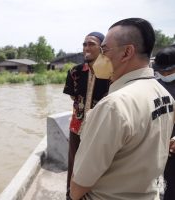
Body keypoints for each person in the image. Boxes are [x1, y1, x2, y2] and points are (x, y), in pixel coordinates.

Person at [70, 18, 175, 200]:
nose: (100, 57)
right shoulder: (164, 94)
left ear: (127, 52)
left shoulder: (114, 106)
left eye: (104, 50)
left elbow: (81, 182)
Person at [63, 32, 110, 200]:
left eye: (91, 44)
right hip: (77, 126)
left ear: (102, 48)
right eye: (84, 44)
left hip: (101, 128)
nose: (86, 48)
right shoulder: (74, 72)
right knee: (74, 162)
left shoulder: (111, 72)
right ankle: (71, 195)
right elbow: (73, 97)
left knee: (97, 165)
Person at [153, 46, 175, 200]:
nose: (165, 75)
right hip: (162, 144)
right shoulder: (154, 85)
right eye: (162, 71)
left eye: (169, 71)